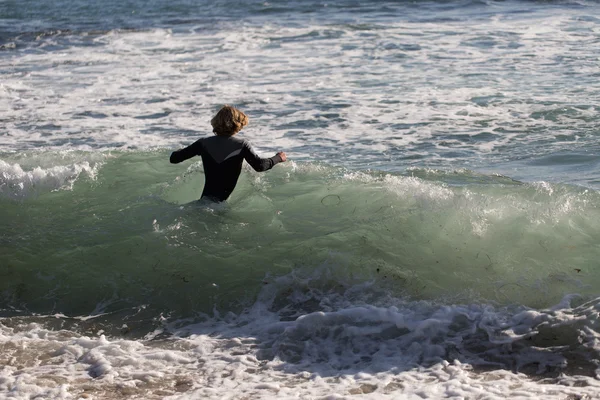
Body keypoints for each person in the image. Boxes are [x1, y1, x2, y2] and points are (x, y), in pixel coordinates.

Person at [170, 105, 287, 202]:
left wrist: (182, 150)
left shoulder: (203, 143)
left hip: (203, 203)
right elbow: (260, 166)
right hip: (219, 207)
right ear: (237, 125)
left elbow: (174, 158)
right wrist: (278, 158)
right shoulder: (242, 145)